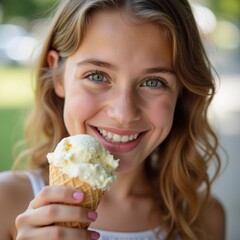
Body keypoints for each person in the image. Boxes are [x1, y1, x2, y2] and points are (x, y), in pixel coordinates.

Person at [0, 0, 225, 239]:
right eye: (97, 76)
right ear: (59, 76)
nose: (123, 113)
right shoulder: (7, 203)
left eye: (153, 82)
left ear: (182, 91)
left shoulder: (205, 218)